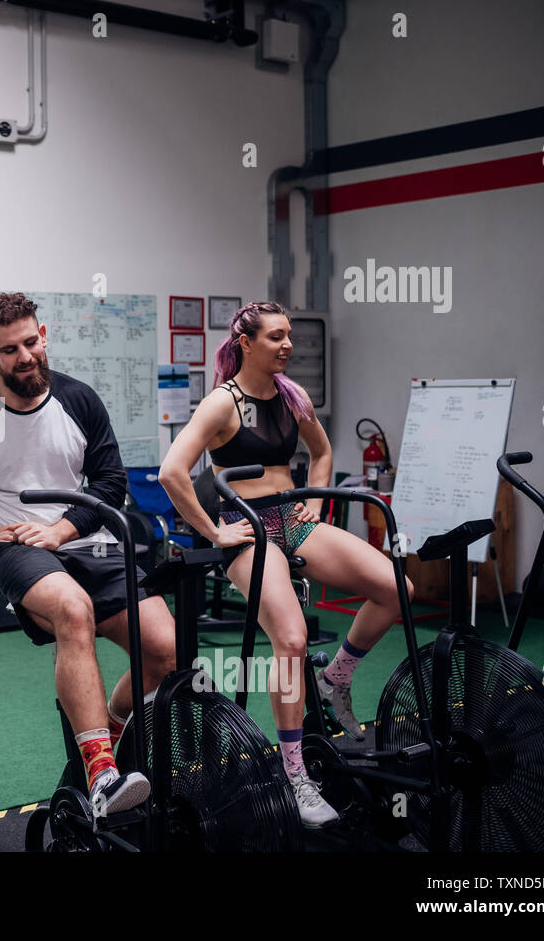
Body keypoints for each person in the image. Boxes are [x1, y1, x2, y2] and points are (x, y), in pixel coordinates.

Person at [0, 292, 177, 814]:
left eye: (31, 342)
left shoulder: (79, 399)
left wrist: (64, 530)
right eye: (9, 350)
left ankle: (108, 730)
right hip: (13, 547)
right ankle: (102, 774)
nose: (25, 357)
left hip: (83, 539)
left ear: (43, 335)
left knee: (164, 647)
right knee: (73, 611)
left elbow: (111, 482)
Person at [157, 300, 414, 828]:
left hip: (292, 521)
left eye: (289, 335)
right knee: (292, 640)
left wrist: (315, 506)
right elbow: (171, 473)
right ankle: (296, 775)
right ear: (246, 343)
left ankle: (335, 678)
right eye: (276, 337)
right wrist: (214, 530)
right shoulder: (222, 403)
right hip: (247, 532)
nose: (288, 345)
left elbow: (321, 453)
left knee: (398, 588)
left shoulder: (292, 396)